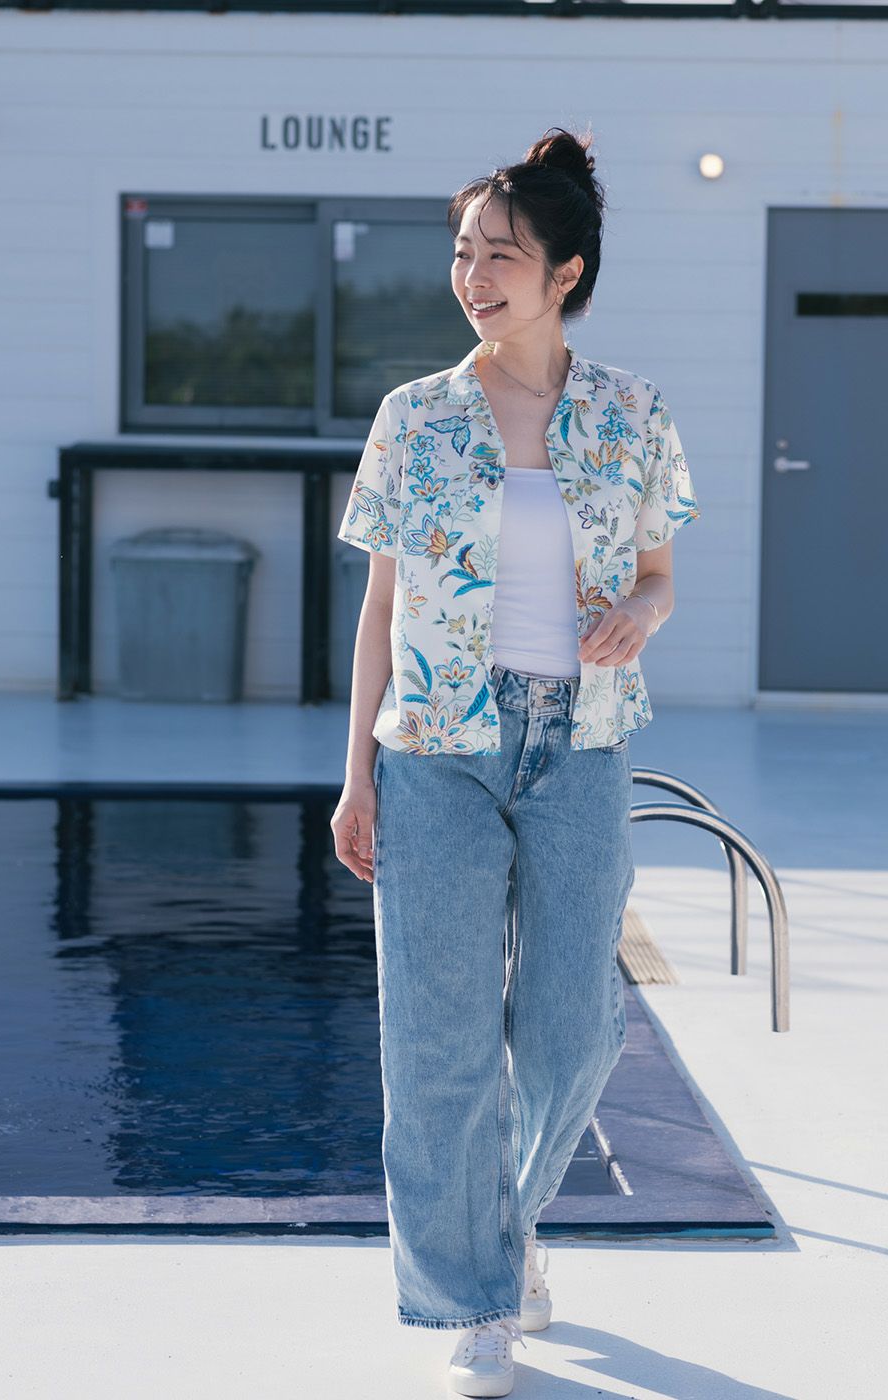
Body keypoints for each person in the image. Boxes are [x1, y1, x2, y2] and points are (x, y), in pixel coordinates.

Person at [331, 125, 700, 1398]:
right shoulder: (413, 418)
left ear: (565, 272)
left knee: (570, 1027)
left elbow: (658, 574)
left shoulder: (632, 413)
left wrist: (638, 614)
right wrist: (356, 772)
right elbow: (380, 606)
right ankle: (475, 1296)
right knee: (436, 1041)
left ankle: (512, 1218)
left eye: (500, 253)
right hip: (436, 745)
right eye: (462, 252)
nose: (472, 274)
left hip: (580, 739)